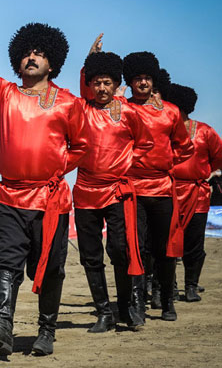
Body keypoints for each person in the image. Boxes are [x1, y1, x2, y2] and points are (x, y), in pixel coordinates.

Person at [0, 0, 88, 356]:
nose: (32, 57)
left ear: (53, 62)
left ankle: (46, 331)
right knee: (7, 260)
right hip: (10, 197)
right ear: (18, 60)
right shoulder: (5, 95)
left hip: (50, 200)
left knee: (51, 269)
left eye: (40, 53)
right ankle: (3, 326)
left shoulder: (69, 103)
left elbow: (81, 146)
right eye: (27, 53)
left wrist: (57, 167)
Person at [74, 40, 154, 332]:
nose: (102, 89)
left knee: (120, 250)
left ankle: (128, 308)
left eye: (107, 83)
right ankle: (103, 312)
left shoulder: (130, 113)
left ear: (116, 84)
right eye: (96, 83)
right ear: (90, 84)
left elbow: (145, 145)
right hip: (84, 192)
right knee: (90, 255)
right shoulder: (81, 110)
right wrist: (90, 59)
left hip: (118, 191)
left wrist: (127, 166)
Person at [122, 53, 194, 321]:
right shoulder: (123, 110)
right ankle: (138, 303)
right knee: (137, 249)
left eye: (147, 78)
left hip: (163, 188)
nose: (143, 82)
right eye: (138, 78)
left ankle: (167, 301)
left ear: (154, 81)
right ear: (130, 82)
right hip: (133, 189)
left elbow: (185, 148)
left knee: (166, 249)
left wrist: (166, 163)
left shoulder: (171, 112)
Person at [167, 84, 222, 302]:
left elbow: (218, 157)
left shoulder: (205, 132)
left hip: (197, 194)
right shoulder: (164, 131)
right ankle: (169, 286)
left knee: (194, 241)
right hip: (168, 191)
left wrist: (208, 174)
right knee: (167, 242)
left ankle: (191, 285)